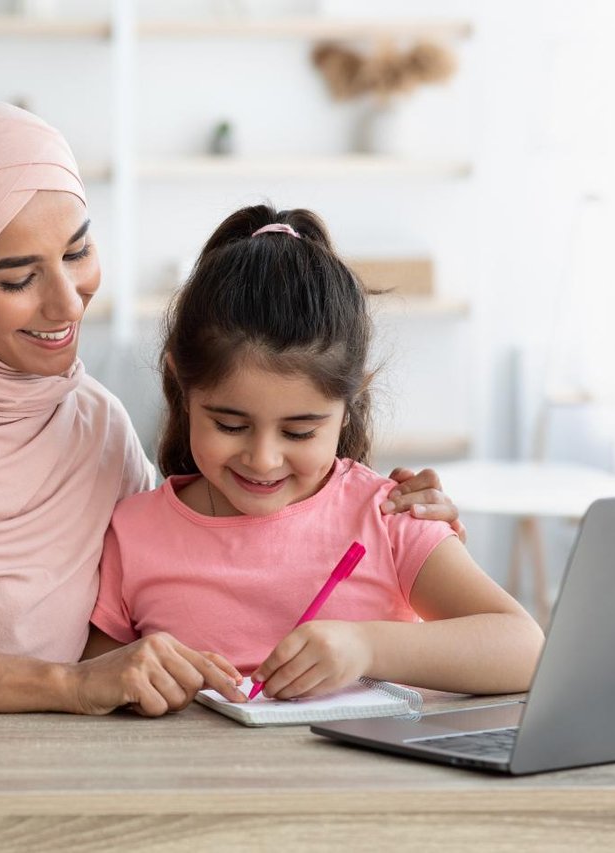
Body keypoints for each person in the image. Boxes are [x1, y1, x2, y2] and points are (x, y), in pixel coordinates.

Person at [0, 102, 464, 715]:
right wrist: (66, 687)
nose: (68, 301)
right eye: (15, 276)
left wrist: (391, 514)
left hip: (60, 779)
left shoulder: (92, 421)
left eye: (77, 251)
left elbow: (192, 560)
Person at [87, 206, 544, 699]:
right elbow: (98, 678)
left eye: (300, 432)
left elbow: (524, 649)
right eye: (229, 424)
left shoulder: (389, 515)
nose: (263, 459)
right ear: (180, 386)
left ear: (349, 406)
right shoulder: (132, 534)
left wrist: (367, 646)